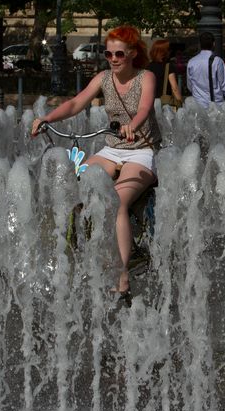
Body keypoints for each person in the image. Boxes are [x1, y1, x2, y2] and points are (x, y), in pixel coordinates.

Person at [31, 25, 160, 302]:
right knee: (81, 184)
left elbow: (144, 108)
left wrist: (132, 126)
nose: (113, 59)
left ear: (132, 54)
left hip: (140, 150)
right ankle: (85, 250)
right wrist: (47, 119)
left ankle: (124, 275)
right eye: (108, 53)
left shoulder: (145, 77)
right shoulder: (103, 78)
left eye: (119, 54)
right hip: (112, 149)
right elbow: (76, 103)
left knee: (119, 202)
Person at [186, 32, 225, 107]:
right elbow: (224, 85)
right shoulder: (217, 61)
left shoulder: (191, 62)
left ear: (200, 44)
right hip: (216, 106)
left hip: (198, 106)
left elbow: (190, 86)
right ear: (214, 44)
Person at [147, 39, 183, 106]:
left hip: (150, 103)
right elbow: (174, 87)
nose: (170, 51)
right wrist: (180, 103)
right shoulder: (168, 67)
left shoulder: (147, 67)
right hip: (164, 104)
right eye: (169, 50)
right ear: (164, 52)